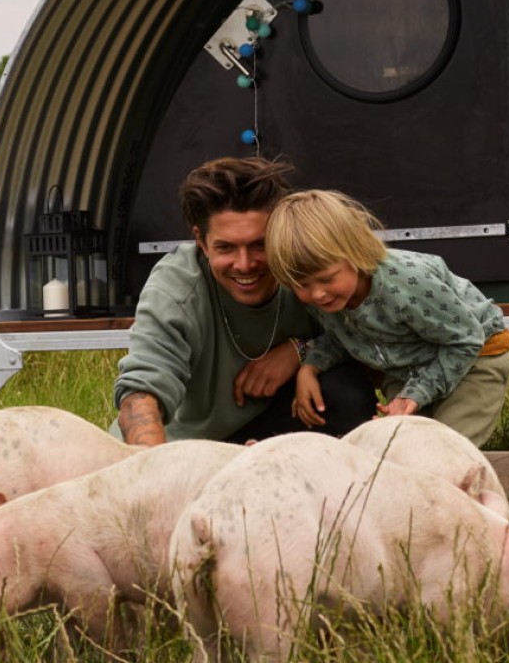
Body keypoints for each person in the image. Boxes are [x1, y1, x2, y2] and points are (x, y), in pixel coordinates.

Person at [113, 156, 374, 446]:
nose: (245, 264)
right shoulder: (175, 287)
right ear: (201, 241)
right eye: (225, 247)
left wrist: (300, 350)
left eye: (259, 245)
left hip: (271, 429)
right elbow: (141, 392)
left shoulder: (307, 266)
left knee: (347, 391)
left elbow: (374, 340)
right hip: (189, 449)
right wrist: (152, 471)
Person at [264, 188, 509, 447]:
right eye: (302, 285)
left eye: (326, 278)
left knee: (445, 450)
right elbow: (344, 337)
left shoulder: (406, 283)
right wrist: (310, 368)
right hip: (407, 371)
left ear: (354, 251)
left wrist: (415, 394)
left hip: (474, 361)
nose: (317, 293)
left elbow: (467, 339)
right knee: (400, 448)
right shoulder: (327, 297)